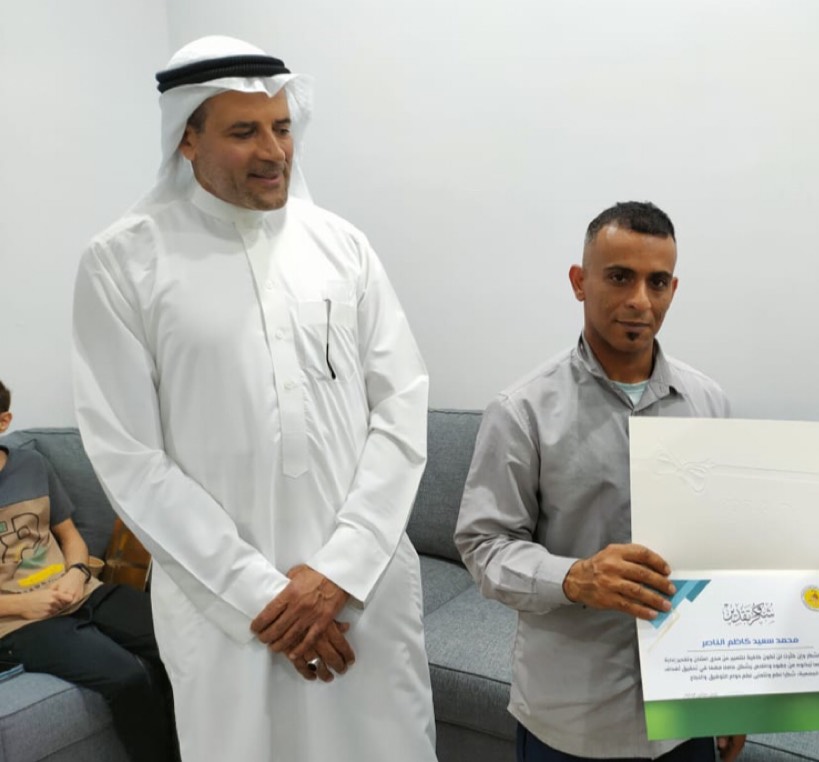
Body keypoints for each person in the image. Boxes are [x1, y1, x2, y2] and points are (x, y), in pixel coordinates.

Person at [72, 36, 436, 761]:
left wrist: (338, 571)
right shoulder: (123, 262)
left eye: (282, 127)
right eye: (244, 132)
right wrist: (262, 595)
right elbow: (129, 456)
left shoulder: (342, 246)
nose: (273, 151)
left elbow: (401, 406)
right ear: (187, 139)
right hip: (226, 610)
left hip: (361, 592)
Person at [455, 202, 744, 762]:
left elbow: (726, 555)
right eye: (619, 277)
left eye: (657, 282)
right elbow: (483, 546)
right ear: (579, 282)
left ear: (673, 289)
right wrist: (575, 577)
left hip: (686, 711)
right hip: (571, 719)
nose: (640, 301)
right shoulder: (522, 410)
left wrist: (730, 694)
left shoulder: (709, 403)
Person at [0, 379, 178, 760]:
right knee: (128, 677)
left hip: (80, 590)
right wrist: (26, 605)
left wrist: (76, 573)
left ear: (3, 422)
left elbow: (70, 537)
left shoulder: (31, 466)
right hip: (18, 623)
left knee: (180, 639)